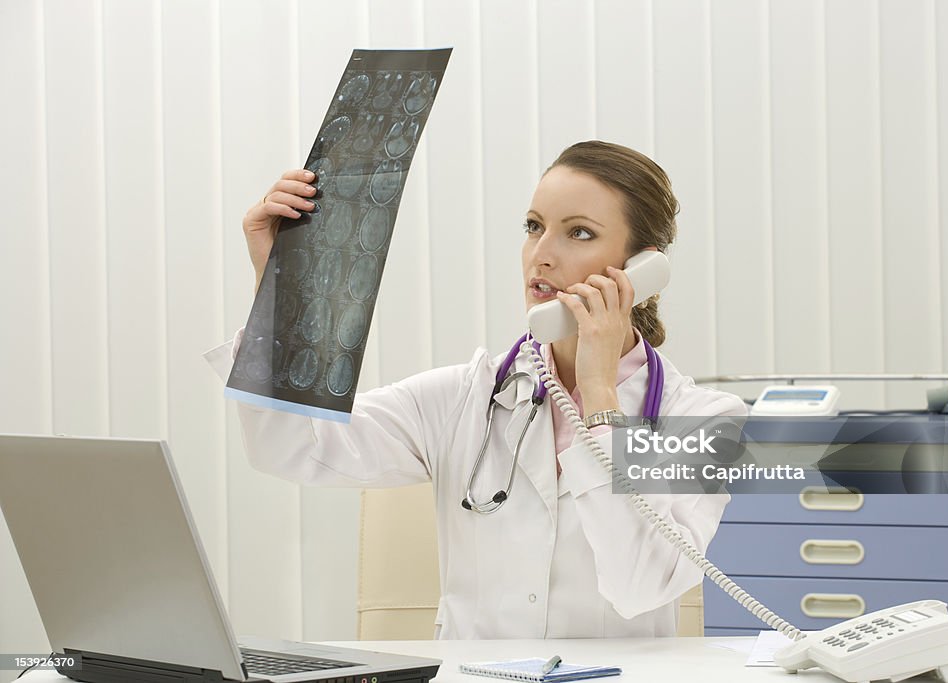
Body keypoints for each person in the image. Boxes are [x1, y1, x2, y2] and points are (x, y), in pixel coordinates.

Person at [208, 140, 746, 639]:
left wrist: (599, 390)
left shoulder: (702, 417)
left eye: (579, 232)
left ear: (640, 268)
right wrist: (283, 286)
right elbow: (290, 449)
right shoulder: (464, 397)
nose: (543, 254)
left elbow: (640, 584)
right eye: (534, 226)